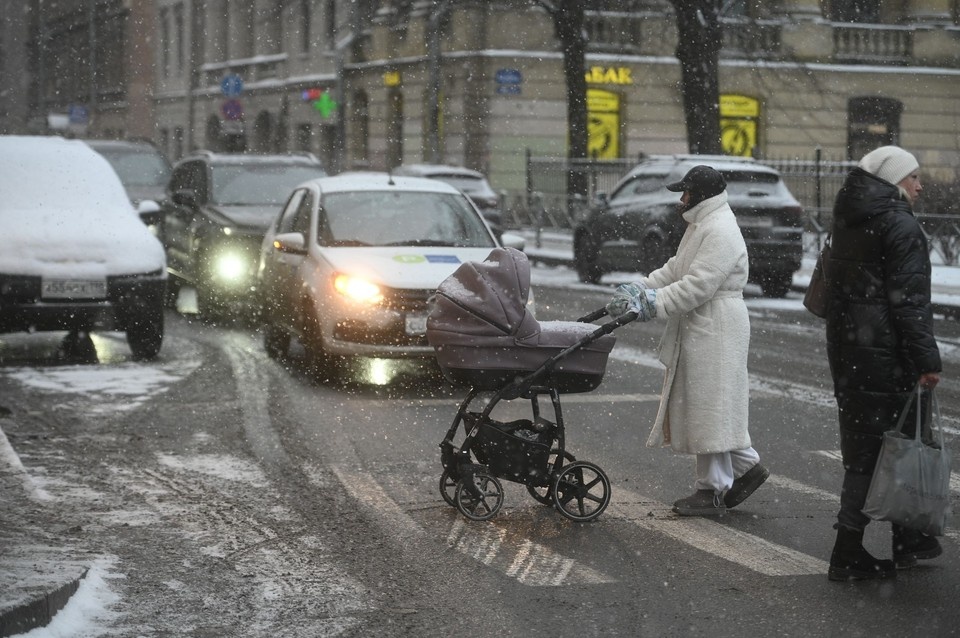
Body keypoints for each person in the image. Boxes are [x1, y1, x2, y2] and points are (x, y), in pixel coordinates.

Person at [606, 165, 768, 517]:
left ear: (701, 195)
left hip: (717, 325)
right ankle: (746, 467)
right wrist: (642, 287)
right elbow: (676, 269)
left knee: (709, 406)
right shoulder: (703, 225)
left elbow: (698, 286)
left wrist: (653, 304)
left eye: (686, 193)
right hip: (706, 324)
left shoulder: (720, 229)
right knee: (710, 405)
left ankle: (710, 490)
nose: (681, 200)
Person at [824, 145, 942, 581]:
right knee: (891, 450)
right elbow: (908, 303)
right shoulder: (900, 224)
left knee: (870, 446)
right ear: (894, 181)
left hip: (852, 351)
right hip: (888, 356)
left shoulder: (851, 218)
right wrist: (927, 360)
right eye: (913, 176)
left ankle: (908, 539)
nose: (920, 184)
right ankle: (848, 550)